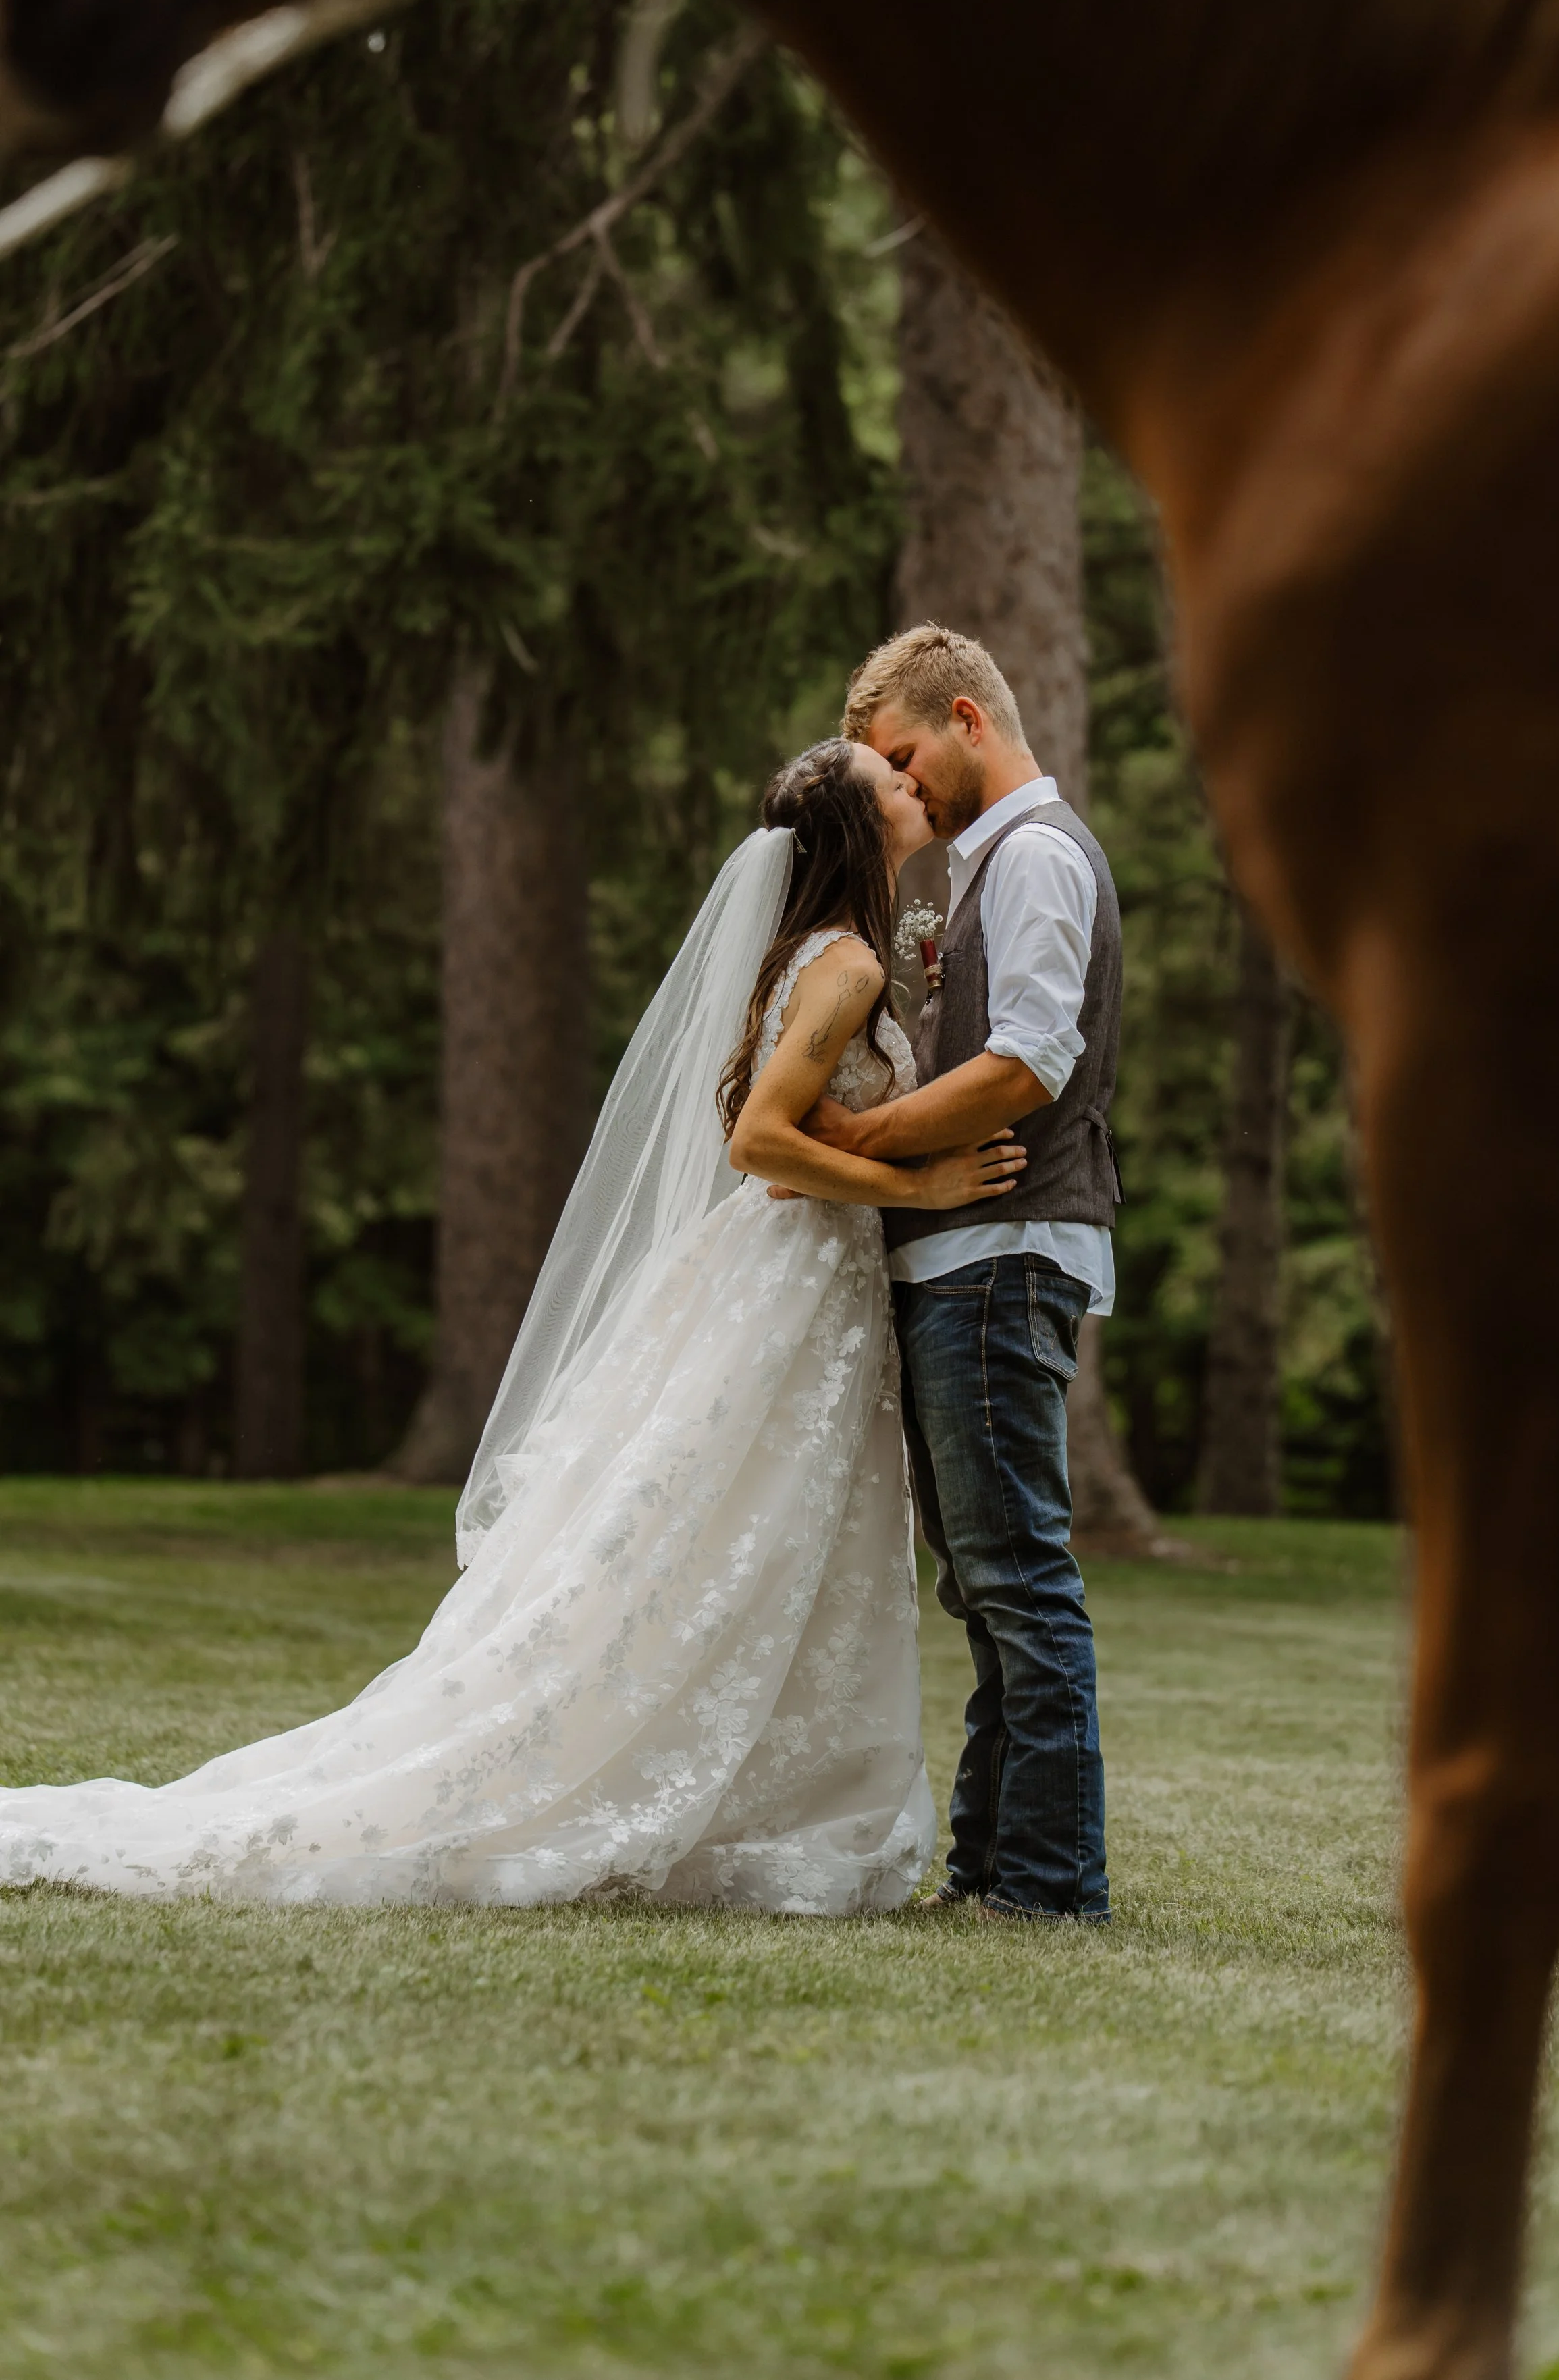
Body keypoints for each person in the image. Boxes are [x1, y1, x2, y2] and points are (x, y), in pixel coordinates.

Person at [0, 739, 1024, 1913]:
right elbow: (755, 1141)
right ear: (857, 824)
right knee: (731, 1532)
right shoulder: (839, 965)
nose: (911, 780)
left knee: (766, 1538)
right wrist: (923, 1189)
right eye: (888, 777)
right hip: (793, 1288)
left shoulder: (818, 956)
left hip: (795, 1281)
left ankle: (764, 1787)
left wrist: (855, 1147)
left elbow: (762, 1111)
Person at [823, 624, 1121, 1924]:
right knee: (986, 1588)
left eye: (902, 756)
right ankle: (989, 1871)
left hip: (1002, 1254)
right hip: (964, 1259)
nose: (903, 787)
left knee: (1019, 1583)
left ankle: (1049, 1890)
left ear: (965, 716)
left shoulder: (1038, 857)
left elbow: (1031, 1060)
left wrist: (865, 1143)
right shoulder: (987, 862)